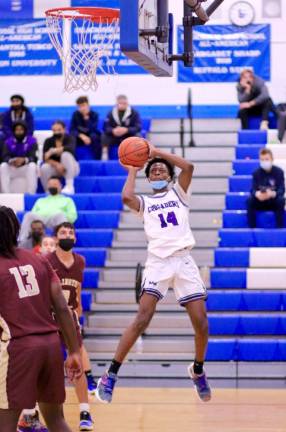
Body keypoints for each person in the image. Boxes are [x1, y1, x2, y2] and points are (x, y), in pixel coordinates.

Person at [96, 146, 211, 404]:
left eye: (162, 169)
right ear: (149, 178)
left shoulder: (180, 194)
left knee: (202, 323)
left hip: (183, 260)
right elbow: (126, 197)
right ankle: (110, 374)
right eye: (154, 170)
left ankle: (198, 370)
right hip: (158, 262)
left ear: (169, 176)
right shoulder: (145, 203)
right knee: (142, 318)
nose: (158, 170)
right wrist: (133, 170)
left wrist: (157, 152)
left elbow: (189, 167)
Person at [0, 206, 82, 432]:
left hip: (18, 349)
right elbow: (63, 309)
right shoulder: (38, 260)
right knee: (56, 420)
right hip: (50, 346)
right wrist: (74, 351)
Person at [46, 222, 95, 430]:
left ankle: (85, 412)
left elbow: (79, 291)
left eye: (71, 232)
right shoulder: (46, 261)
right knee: (48, 368)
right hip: (49, 320)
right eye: (63, 232)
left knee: (78, 368)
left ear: (75, 239)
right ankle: (36, 412)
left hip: (71, 320)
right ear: (56, 238)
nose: (67, 235)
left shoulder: (80, 262)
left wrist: (79, 315)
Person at [19, 176, 77, 245]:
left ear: (60, 186)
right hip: (40, 221)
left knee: (60, 214)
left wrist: (60, 213)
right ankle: (21, 242)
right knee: (29, 215)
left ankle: (62, 243)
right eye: (50, 185)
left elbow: (73, 216)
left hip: (55, 220)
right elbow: (33, 213)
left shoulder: (67, 200)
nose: (52, 186)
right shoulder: (40, 200)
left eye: (55, 184)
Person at [247, 148, 285, 228]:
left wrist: (273, 194)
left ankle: (279, 228)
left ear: (272, 159)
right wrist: (257, 194)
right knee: (250, 201)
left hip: (273, 201)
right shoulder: (256, 173)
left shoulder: (279, 172)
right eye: (262, 160)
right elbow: (253, 190)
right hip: (261, 201)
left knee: (281, 200)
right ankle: (252, 229)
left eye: (267, 159)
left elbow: (282, 189)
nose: (265, 161)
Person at [41, 120, 80, 195]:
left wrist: (53, 151)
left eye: (59, 130)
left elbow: (70, 148)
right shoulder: (48, 141)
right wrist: (56, 164)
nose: (57, 132)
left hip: (71, 168)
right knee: (44, 167)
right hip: (57, 168)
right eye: (54, 130)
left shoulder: (70, 138)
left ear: (64, 129)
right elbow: (45, 157)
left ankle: (69, 186)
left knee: (65, 154)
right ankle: (48, 190)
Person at [0, 121, 38, 194]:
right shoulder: (8, 142)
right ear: (14, 131)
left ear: (25, 130)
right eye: (17, 130)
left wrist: (24, 160)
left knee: (32, 166)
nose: (19, 132)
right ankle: (6, 194)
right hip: (13, 167)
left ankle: (31, 194)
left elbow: (34, 157)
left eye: (21, 129)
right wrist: (12, 161)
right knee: (3, 166)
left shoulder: (32, 141)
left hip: (25, 167)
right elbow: (4, 157)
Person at [102, 95, 142, 160]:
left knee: (137, 135)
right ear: (116, 103)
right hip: (114, 136)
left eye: (124, 103)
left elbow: (138, 127)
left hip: (127, 136)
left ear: (127, 103)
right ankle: (104, 154)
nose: (122, 105)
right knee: (104, 135)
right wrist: (113, 130)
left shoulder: (134, 113)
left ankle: (136, 157)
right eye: (120, 103)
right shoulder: (110, 113)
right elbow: (105, 127)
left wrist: (127, 130)